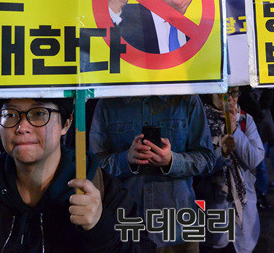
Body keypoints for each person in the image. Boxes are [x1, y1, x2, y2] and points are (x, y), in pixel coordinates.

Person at [0, 97, 149, 252]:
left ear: (66, 123)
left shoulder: (106, 193)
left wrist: (100, 227)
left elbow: (142, 247)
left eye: (38, 113)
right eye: (10, 114)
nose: (22, 127)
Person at [90, 94, 216, 250]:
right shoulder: (108, 103)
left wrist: (172, 161)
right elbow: (94, 166)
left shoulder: (187, 99)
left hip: (178, 228)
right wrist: (126, 159)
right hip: (126, 229)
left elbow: (207, 159)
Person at [197, 87, 264, 252]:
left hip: (243, 210)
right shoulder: (199, 120)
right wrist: (222, 153)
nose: (230, 99)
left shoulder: (245, 120)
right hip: (212, 206)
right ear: (210, 93)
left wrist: (235, 130)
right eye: (223, 94)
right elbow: (197, 164)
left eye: (234, 93)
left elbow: (254, 159)